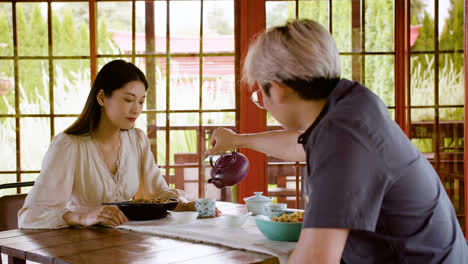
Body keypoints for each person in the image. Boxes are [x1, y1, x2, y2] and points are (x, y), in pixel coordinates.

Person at [205, 19, 468, 263]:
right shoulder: (348, 107)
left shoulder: (344, 137)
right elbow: (298, 144)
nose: (264, 104)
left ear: (278, 89)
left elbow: (316, 258)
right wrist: (237, 140)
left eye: (260, 95)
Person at [18, 60, 197, 229]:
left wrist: (187, 205)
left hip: (126, 244)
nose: (136, 109)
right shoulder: (69, 145)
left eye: (141, 102)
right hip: (77, 247)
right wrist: (82, 217)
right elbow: (30, 215)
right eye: (128, 100)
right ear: (102, 97)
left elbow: (157, 193)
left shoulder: (137, 140)